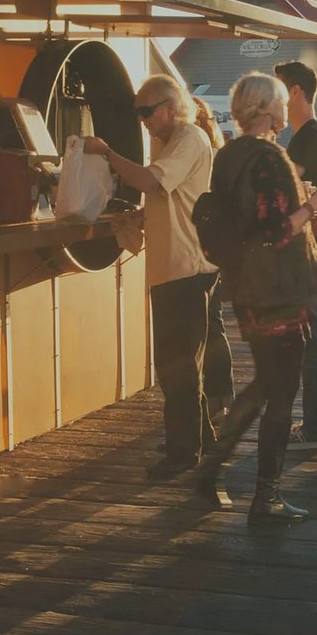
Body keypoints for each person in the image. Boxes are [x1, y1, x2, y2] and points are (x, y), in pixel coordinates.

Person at [198, 73, 317, 523]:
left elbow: (246, 217)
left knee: (263, 382)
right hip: (280, 289)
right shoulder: (270, 157)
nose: (285, 109)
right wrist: (315, 203)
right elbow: (276, 230)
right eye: (279, 102)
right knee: (281, 392)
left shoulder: (229, 155)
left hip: (246, 287)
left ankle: (212, 466)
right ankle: (267, 496)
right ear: (267, 108)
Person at [79, 75, 216, 481]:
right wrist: (140, 217)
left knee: (177, 367)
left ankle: (182, 453)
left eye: (147, 111)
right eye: (137, 112)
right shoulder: (169, 142)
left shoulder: (188, 138)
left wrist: (107, 152)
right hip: (174, 268)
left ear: (170, 108)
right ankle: (198, 437)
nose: (142, 120)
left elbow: (150, 181)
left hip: (185, 268)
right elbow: (170, 197)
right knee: (182, 364)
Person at [274, 59, 317, 454]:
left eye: (279, 90)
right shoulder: (316, 136)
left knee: (311, 339)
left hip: (310, 252)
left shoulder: (309, 139)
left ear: (296, 91)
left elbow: (285, 190)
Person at [193, 95, 235, 432]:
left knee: (208, 325)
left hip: (203, 248)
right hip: (218, 247)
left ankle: (216, 396)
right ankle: (222, 395)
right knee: (214, 322)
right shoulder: (217, 152)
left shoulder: (197, 152)